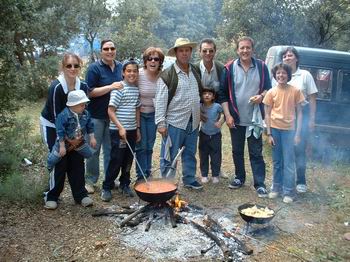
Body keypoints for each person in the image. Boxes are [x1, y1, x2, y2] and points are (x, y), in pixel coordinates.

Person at [218, 36, 271, 197]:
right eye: (242, 48)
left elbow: (268, 88)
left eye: (248, 47)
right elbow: (222, 94)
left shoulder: (262, 67)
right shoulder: (229, 68)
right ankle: (239, 178)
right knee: (237, 151)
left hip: (254, 120)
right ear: (237, 50)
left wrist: (262, 96)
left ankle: (259, 184)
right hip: (236, 118)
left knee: (256, 152)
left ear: (252, 50)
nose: (245, 50)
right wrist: (227, 115)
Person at [40, 53, 93, 209]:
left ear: (80, 67)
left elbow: (84, 114)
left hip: (74, 127)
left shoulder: (82, 86)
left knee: (77, 158)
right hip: (52, 126)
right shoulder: (56, 87)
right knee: (60, 158)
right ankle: (52, 195)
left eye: (76, 65)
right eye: (68, 65)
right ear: (63, 67)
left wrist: (79, 138)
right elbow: (57, 118)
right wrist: (67, 142)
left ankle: (80, 194)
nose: (72, 68)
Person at [155, 38, 203, 190]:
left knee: (190, 153)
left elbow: (198, 94)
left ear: (190, 52)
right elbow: (161, 101)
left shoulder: (195, 71)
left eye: (187, 50)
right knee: (169, 155)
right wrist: (161, 124)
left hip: (193, 121)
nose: (184, 53)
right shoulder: (168, 75)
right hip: (174, 122)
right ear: (176, 53)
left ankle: (189, 179)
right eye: (181, 50)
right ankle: (167, 183)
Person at [85, 39, 123, 194]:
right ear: (101, 51)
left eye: (112, 48)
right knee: (93, 149)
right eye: (106, 49)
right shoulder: (94, 68)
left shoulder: (121, 67)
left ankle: (109, 179)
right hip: (96, 116)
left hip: (114, 117)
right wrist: (110, 87)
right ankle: (90, 180)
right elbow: (89, 92)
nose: (110, 51)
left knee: (110, 150)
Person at [263, 63, 305, 203]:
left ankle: (289, 192)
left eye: (284, 73)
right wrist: (269, 134)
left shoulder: (296, 91)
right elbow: (267, 114)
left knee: (288, 162)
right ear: (275, 75)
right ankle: (276, 188)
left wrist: (298, 134)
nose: (281, 75)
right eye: (278, 73)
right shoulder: (271, 92)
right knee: (277, 161)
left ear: (288, 75)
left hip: (290, 131)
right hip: (275, 130)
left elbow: (300, 114)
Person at [101, 60, 141, 201]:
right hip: (118, 131)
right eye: (128, 71)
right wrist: (120, 127)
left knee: (128, 159)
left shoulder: (136, 89)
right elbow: (110, 111)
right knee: (116, 159)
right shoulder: (118, 89)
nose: (132, 73)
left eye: (134, 71)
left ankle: (125, 184)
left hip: (131, 130)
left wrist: (137, 129)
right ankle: (107, 186)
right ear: (123, 73)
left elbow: (137, 109)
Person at [281, 47, 318, 193]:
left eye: (290, 55)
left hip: (302, 115)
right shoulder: (279, 74)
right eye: (284, 56)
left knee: (299, 149)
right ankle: (285, 179)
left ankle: (301, 181)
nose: (287, 58)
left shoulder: (305, 75)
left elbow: (313, 97)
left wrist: (312, 119)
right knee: (284, 149)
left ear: (296, 58)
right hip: (283, 116)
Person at [47, 90, 96, 170]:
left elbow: (90, 125)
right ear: (72, 105)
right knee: (55, 158)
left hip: (79, 140)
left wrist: (92, 137)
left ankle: (75, 149)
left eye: (84, 105)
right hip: (65, 141)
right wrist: (62, 146)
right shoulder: (63, 115)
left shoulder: (85, 113)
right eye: (81, 105)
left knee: (90, 154)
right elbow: (60, 131)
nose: (84, 107)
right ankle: (49, 165)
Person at [135, 47, 165, 180]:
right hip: (139, 113)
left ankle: (147, 172)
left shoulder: (163, 75)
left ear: (160, 62)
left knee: (150, 145)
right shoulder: (138, 74)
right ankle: (141, 175)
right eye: (149, 58)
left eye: (156, 59)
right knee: (141, 144)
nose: (153, 61)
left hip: (154, 114)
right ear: (145, 61)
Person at [199, 87, 224, 184]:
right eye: (204, 93)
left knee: (216, 155)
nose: (207, 95)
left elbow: (223, 114)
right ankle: (204, 175)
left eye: (209, 94)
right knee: (203, 154)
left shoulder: (217, 106)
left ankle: (215, 175)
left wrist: (220, 121)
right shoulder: (200, 106)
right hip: (204, 133)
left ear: (213, 96)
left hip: (216, 134)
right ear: (201, 96)